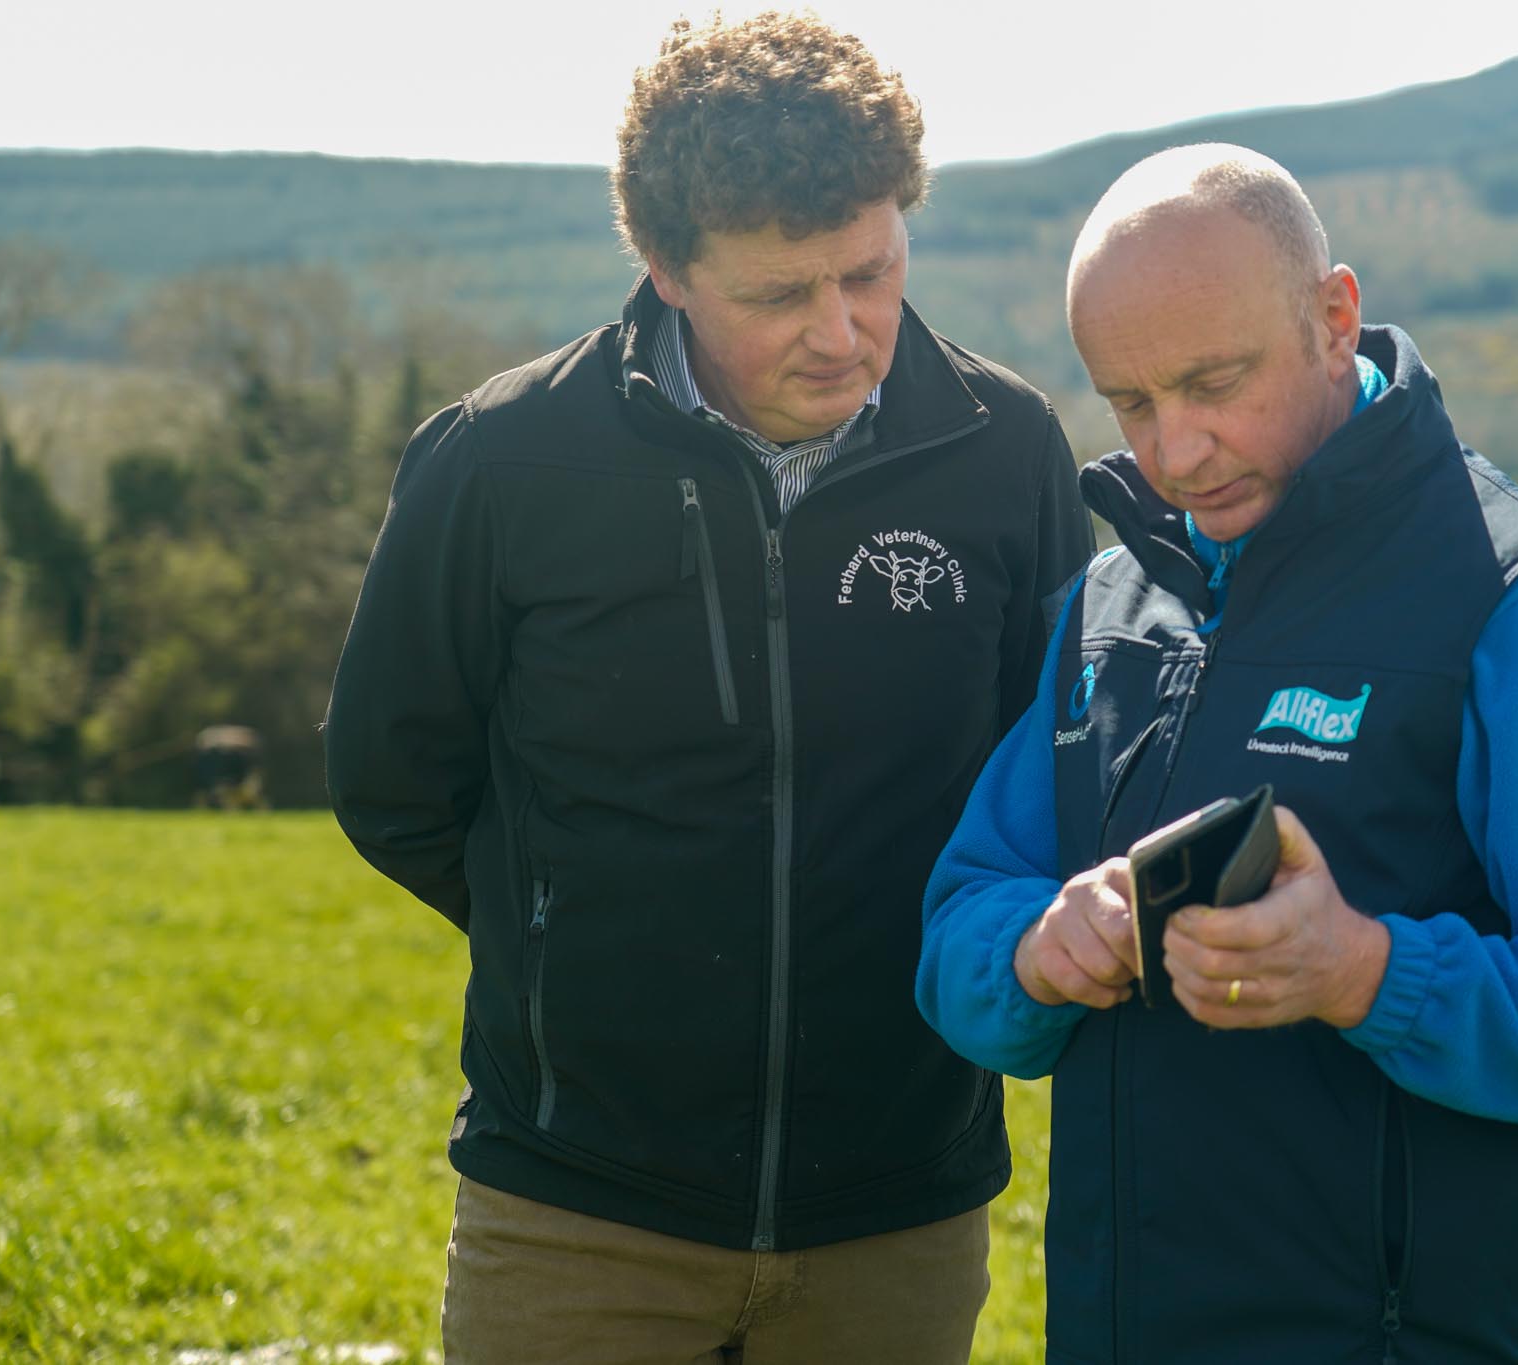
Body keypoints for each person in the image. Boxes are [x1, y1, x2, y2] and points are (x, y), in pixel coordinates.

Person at [323, 13, 1091, 1361]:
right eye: (780, 295)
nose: (842, 332)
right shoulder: (500, 462)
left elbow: (1051, 774)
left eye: (871, 272)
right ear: (667, 268)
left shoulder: (1008, 450)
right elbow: (390, 778)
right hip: (577, 1213)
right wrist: (569, 936)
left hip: (899, 1209)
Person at [916, 144, 1518, 1362]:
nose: (1174, 452)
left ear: (1332, 317)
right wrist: (1039, 949)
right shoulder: (1104, 605)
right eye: (1130, 403)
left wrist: (1364, 973)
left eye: (1213, 383)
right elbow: (959, 926)